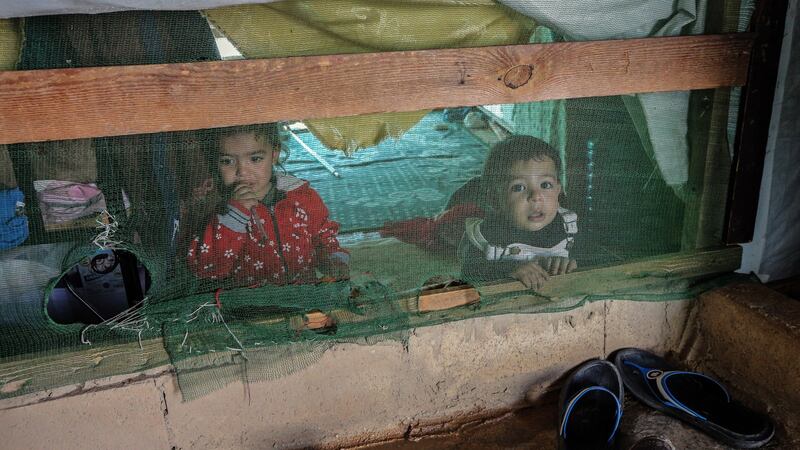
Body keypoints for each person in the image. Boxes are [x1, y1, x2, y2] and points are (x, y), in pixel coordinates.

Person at [187, 123, 349, 285]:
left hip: (304, 297)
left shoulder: (302, 196)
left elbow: (324, 235)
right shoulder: (215, 208)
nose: (242, 172)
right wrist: (233, 217)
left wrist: (333, 259)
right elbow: (205, 268)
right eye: (227, 161)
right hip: (247, 306)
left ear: (274, 154)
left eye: (255, 159)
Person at [459, 135, 577, 290]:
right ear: (495, 200)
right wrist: (507, 270)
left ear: (558, 190)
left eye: (545, 185)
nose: (536, 197)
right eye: (519, 187)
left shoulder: (568, 226)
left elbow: (594, 258)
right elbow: (468, 276)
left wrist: (572, 262)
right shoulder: (487, 236)